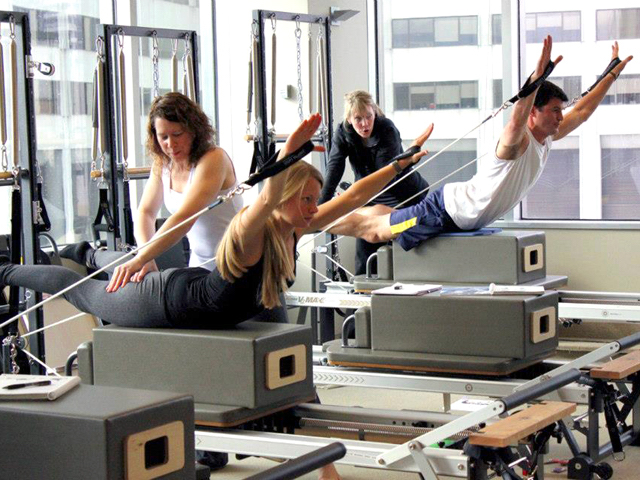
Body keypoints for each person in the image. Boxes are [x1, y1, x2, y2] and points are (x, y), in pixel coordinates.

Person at [0, 115, 432, 480]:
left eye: (313, 200)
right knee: (85, 295)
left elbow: (355, 196)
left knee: (289, 371)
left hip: (207, 298)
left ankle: (324, 465)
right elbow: (264, 198)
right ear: (283, 198)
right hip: (167, 300)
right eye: (304, 199)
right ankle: (11, 268)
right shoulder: (250, 232)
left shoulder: (296, 225)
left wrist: (401, 162)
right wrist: (290, 153)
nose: (312, 208)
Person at [330, 37, 633, 251]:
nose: (559, 117)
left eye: (559, 111)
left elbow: (581, 111)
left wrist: (612, 73)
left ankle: (324, 213)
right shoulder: (517, 143)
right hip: (444, 212)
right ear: (534, 114)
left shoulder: (548, 136)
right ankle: (315, 221)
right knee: (375, 232)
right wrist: (535, 79)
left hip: (455, 214)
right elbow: (516, 119)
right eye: (553, 110)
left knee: (384, 215)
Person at [63, 92, 243, 291]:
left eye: (177, 134)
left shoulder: (213, 158)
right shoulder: (163, 164)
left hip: (239, 264)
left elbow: (185, 217)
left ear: (194, 131)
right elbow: (146, 213)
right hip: (200, 267)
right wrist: (146, 256)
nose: (170, 144)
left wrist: (142, 258)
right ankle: (85, 254)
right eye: (163, 137)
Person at [319, 90, 430, 275]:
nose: (365, 124)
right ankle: (364, 295)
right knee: (364, 258)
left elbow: (384, 175)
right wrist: (321, 210)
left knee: (409, 253)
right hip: (369, 198)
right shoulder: (342, 133)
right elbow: (333, 170)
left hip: (405, 196)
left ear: (374, 112)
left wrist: (349, 200)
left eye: (369, 117)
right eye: (358, 119)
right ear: (348, 120)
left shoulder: (386, 128)